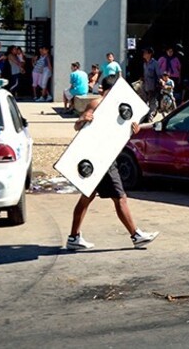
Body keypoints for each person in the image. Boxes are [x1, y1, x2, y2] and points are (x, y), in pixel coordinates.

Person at [66, 74, 159, 250]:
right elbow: (77, 126)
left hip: (108, 156)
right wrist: (82, 120)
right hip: (99, 159)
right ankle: (136, 235)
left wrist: (135, 129)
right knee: (120, 198)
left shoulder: (123, 108)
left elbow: (125, 132)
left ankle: (73, 237)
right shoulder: (97, 104)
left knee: (87, 197)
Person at [142, 47, 159, 122]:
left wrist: (160, 82)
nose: (144, 54)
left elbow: (159, 74)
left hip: (153, 86)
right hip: (145, 86)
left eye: (145, 53)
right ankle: (145, 116)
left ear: (150, 54)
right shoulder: (144, 64)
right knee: (145, 101)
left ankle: (150, 117)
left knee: (152, 102)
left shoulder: (155, 63)